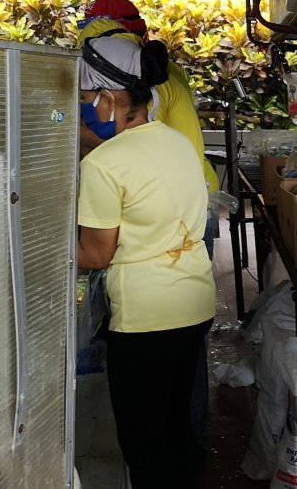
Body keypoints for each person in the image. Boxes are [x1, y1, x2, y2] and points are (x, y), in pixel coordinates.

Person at [75, 34, 216, 489]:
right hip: (195, 304)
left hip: (145, 320)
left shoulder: (104, 165)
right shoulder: (175, 142)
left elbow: (97, 254)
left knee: (142, 442)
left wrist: (38, 241)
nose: (82, 105)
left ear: (107, 97)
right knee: (178, 426)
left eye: (84, 98)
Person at [79, 1, 221, 258]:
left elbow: (118, 152)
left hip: (166, 203)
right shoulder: (162, 73)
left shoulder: (120, 80)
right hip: (195, 191)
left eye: (85, 97)